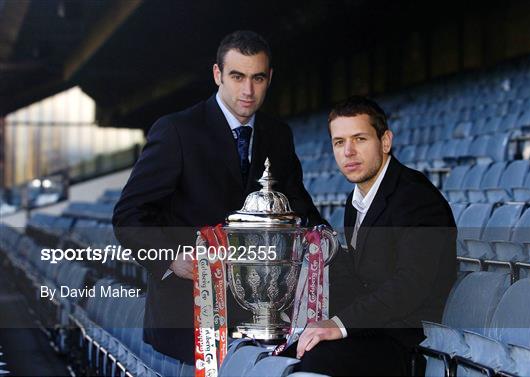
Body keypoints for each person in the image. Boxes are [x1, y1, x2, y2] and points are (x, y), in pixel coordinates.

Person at [112, 30, 324, 365]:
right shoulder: (176, 131)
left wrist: (323, 239)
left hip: (261, 319)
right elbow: (129, 216)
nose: (248, 90)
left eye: (257, 78)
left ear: (270, 78)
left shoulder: (278, 134)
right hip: (187, 320)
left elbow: (300, 207)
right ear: (217, 75)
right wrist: (170, 258)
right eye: (237, 76)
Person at [285, 96, 457, 376]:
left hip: (408, 342)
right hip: (372, 328)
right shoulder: (356, 200)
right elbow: (361, 277)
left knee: (314, 360)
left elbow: (409, 287)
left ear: (385, 141)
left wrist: (338, 324)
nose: (348, 152)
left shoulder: (417, 199)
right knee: (285, 350)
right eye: (339, 142)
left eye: (360, 139)